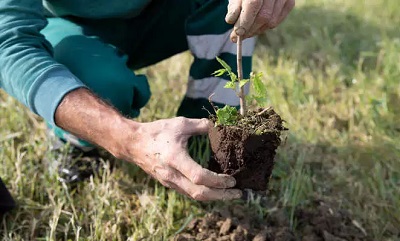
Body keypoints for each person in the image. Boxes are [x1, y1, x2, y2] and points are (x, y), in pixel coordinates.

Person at [0, 0, 295, 202]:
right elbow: (8, 45)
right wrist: (128, 138)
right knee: (105, 90)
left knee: (234, 7)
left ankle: (212, 140)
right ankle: (76, 143)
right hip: (73, 25)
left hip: (159, 12)